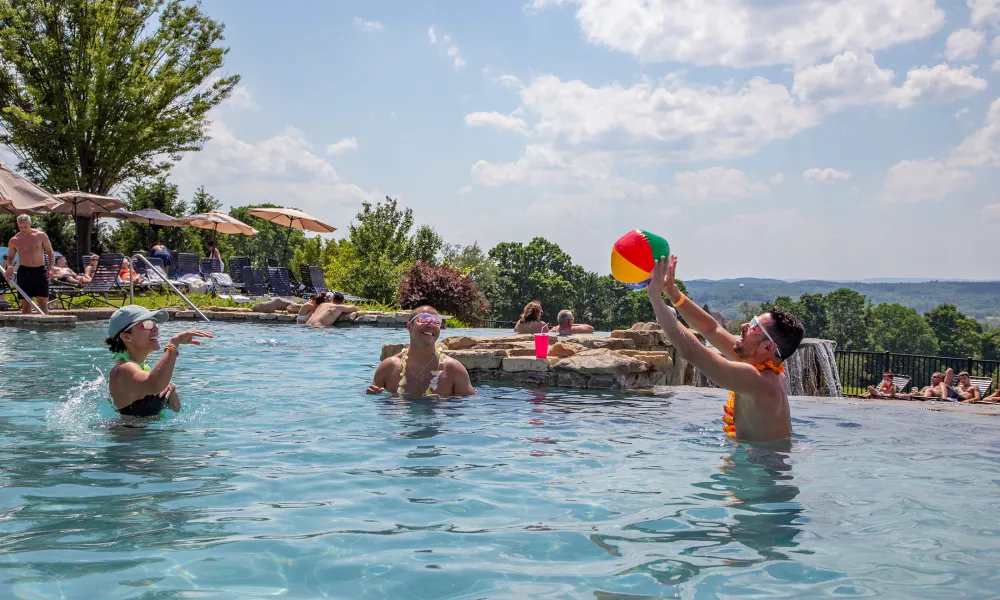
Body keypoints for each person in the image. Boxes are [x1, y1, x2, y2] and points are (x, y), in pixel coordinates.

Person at [646, 255, 804, 443]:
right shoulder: (761, 364)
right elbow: (711, 329)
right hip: (758, 463)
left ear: (767, 346)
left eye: (754, 327)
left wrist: (655, 299)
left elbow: (691, 352)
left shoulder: (759, 381)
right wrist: (674, 294)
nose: (745, 325)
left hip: (759, 468)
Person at [106, 305, 212, 418]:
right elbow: (154, 384)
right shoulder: (123, 370)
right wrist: (173, 345)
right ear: (126, 337)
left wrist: (171, 389)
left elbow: (176, 408)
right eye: (147, 324)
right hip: (129, 435)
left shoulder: (141, 370)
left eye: (154, 323)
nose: (155, 328)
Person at [366, 305, 475, 397]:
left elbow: (469, 408)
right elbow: (374, 406)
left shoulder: (454, 369)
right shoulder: (388, 367)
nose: (430, 325)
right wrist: (374, 396)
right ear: (409, 326)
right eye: (423, 319)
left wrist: (442, 405)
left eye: (436, 322)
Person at [3, 214, 54, 314]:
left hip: (40, 270)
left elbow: (50, 252)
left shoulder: (40, 236)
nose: (23, 229)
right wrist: (10, 267)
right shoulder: (14, 240)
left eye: (25, 226)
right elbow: (10, 257)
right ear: (17, 225)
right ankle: (25, 329)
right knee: (26, 303)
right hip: (24, 271)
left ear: (30, 223)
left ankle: (44, 328)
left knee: (42, 302)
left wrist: (51, 268)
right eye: (21, 227)